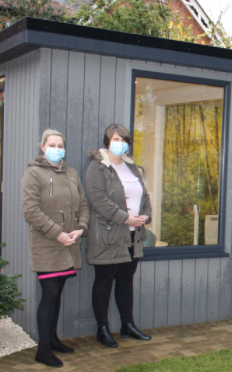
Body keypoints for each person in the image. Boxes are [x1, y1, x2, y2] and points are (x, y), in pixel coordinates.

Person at [21, 129, 89, 368]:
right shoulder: (33, 174)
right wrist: (57, 234)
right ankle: (43, 350)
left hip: (69, 245)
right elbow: (31, 211)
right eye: (52, 145)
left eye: (61, 145)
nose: (57, 149)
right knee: (49, 294)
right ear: (43, 147)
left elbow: (83, 204)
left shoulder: (71, 173)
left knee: (57, 293)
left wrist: (81, 228)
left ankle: (52, 338)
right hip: (47, 245)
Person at [85, 124, 153, 348]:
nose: (120, 143)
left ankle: (127, 325)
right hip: (107, 236)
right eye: (116, 139)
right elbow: (97, 199)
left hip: (133, 236)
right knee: (104, 281)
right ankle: (102, 329)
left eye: (124, 139)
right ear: (107, 141)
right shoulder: (97, 167)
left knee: (125, 281)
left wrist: (145, 215)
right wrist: (125, 218)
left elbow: (145, 196)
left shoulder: (132, 167)